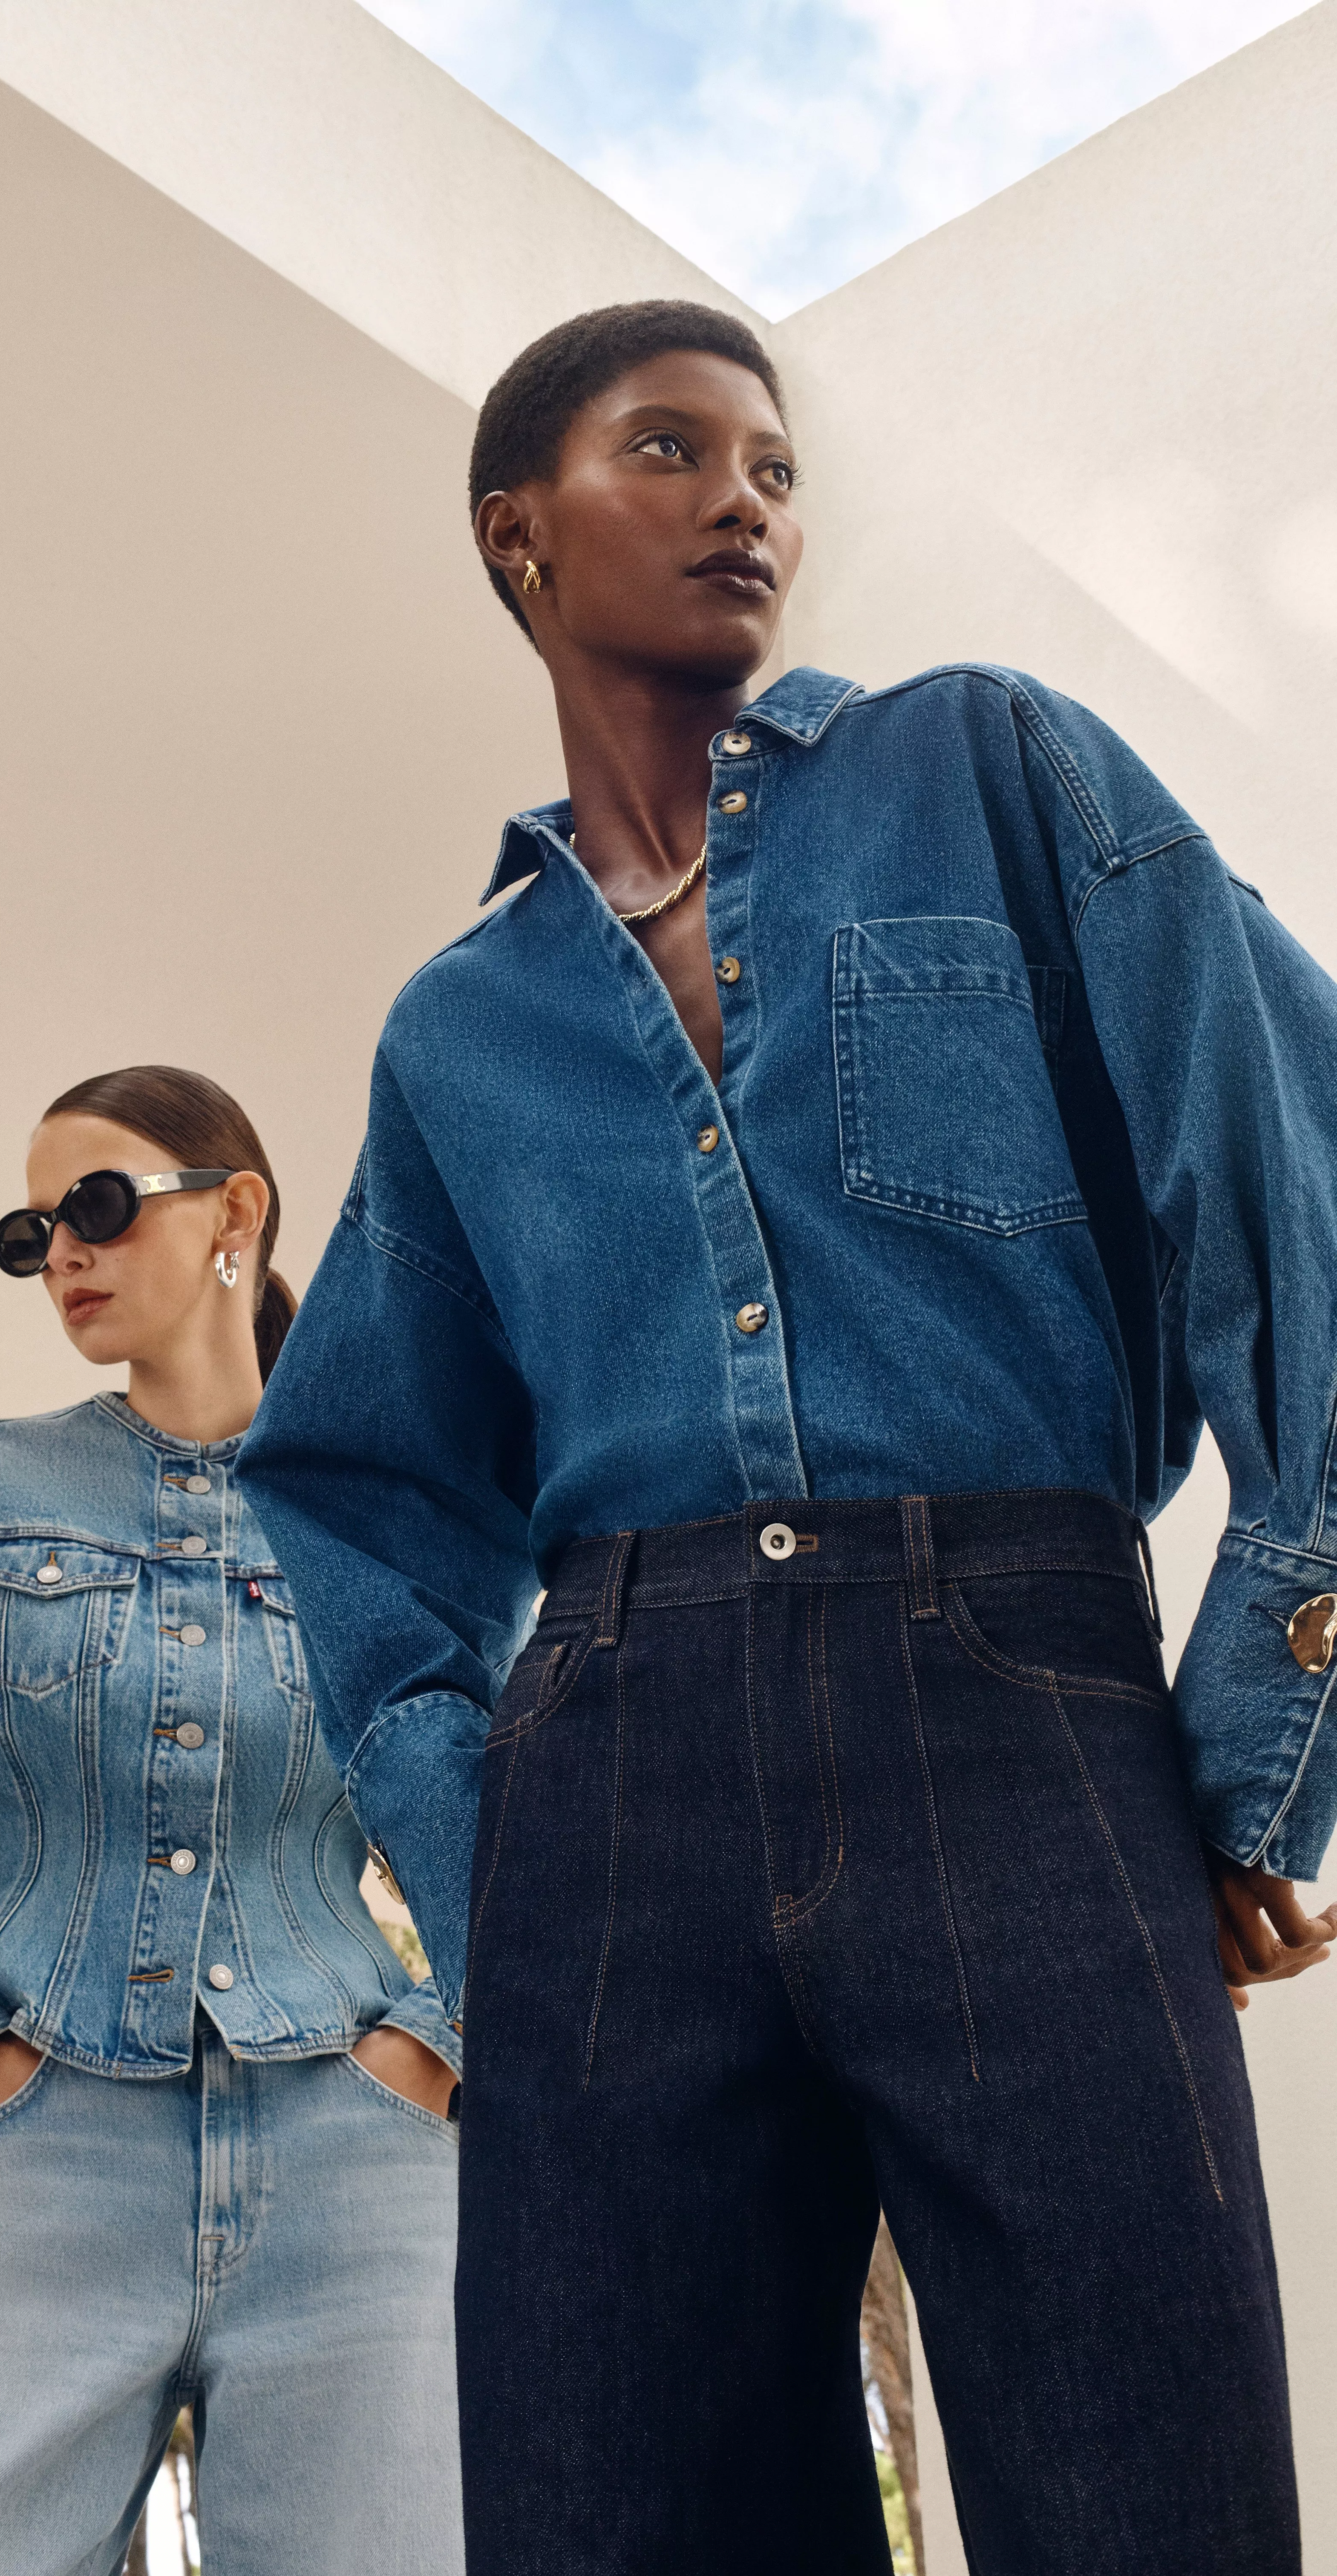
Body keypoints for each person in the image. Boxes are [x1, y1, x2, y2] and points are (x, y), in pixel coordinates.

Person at [239, 300, 1337, 2576]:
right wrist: (484, 1874)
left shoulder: (996, 772)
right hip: (612, 1762)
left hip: (1019, 1705)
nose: (749, 496)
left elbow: (1298, 1204)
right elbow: (358, 1494)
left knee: (1149, 2483)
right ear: (516, 534)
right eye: (674, 448)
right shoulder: (462, 1026)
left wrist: (1242, 1755)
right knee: (619, 2508)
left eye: (776, 465)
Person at [0, 1065, 463, 2576]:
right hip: (42, 2153)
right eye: (32, 1229)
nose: (61, 1253)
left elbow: (535, 1796)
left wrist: (442, 2040)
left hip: (358, 2166)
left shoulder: (395, 1522)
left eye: (97, 1207)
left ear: (237, 1210)